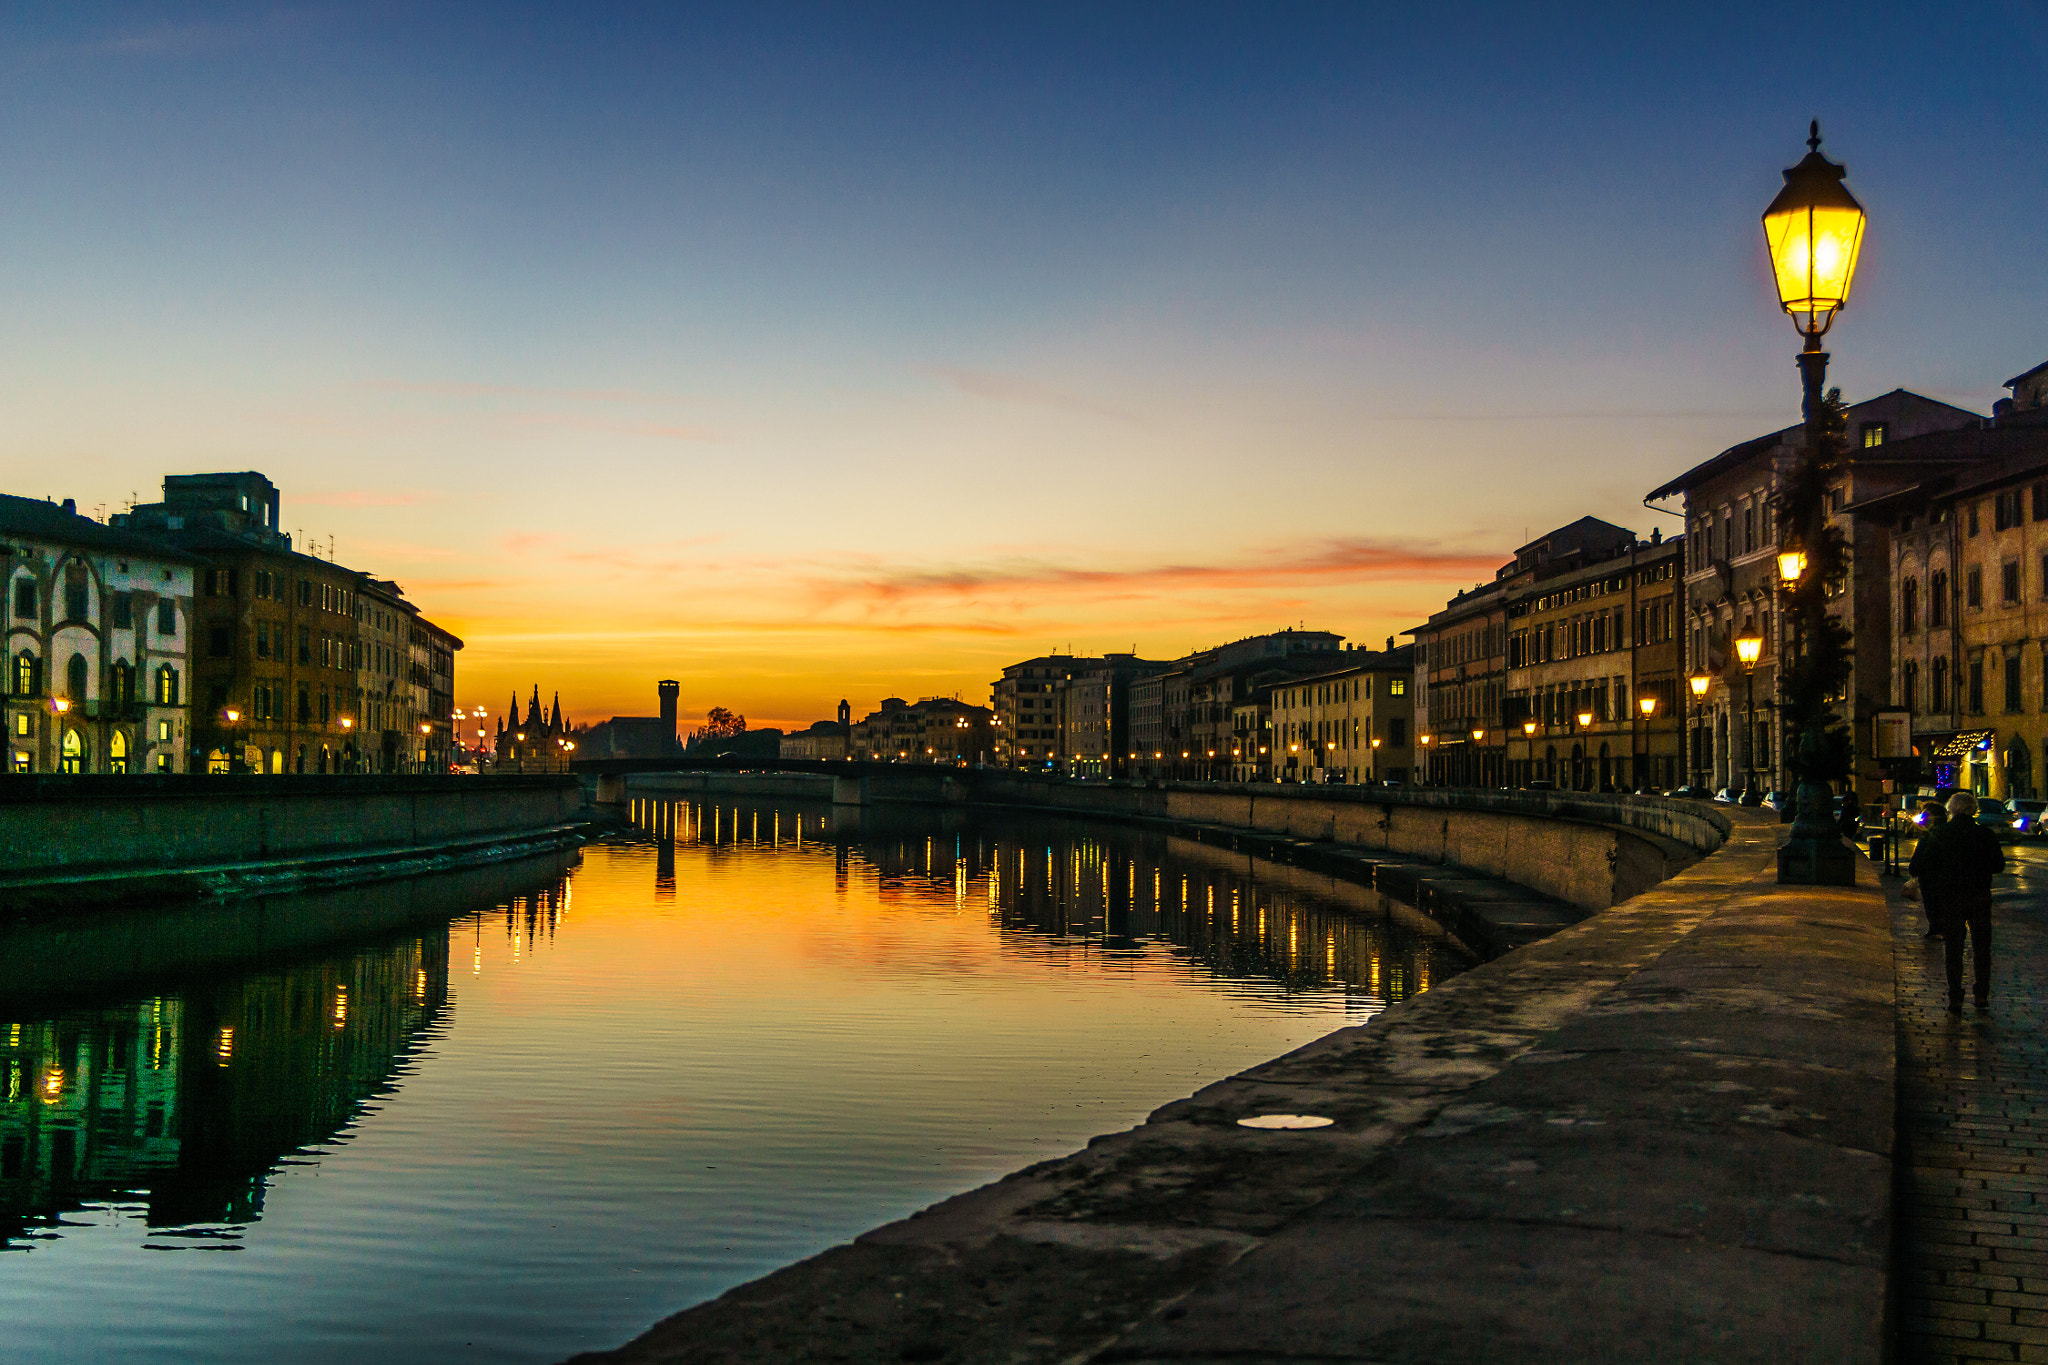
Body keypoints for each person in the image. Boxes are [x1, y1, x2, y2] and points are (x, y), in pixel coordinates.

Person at [1909, 791, 2005, 1013]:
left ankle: (1955, 997)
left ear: (1951, 810)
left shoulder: (1940, 833)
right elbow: (1998, 864)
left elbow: (1923, 865)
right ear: (1973, 810)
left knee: (1954, 948)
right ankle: (1981, 994)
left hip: (1950, 896)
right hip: (1979, 896)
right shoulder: (1984, 834)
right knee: (1982, 947)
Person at [1913, 800, 1949, 938]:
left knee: (1932, 903)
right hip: (1946, 875)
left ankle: (1936, 928)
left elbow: (1921, 856)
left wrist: (1915, 869)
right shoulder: (1946, 831)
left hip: (1930, 876)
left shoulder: (1929, 834)